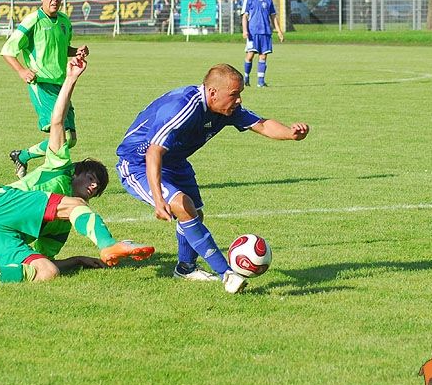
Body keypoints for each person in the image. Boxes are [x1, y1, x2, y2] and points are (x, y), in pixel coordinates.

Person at [0, 58, 155, 286]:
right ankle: (108, 244)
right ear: (76, 172)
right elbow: (57, 123)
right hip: (0, 205)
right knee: (75, 205)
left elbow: (47, 259)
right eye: (91, 178)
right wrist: (71, 79)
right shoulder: (60, 166)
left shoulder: (63, 223)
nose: (93, 187)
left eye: (97, 188)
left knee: (46, 272)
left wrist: (78, 260)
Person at [115, 64, 309, 294]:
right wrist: (158, 199)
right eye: (234, 94)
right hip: (138, 163)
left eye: (240, 94)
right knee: (183, 207)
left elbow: (262, 124)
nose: (238, 100)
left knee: (195, 213)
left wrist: (290, 134)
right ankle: (226, 274)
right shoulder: (182, 107)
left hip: (174, 161)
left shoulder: (228, 109)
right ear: (213, 92)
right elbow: (153, 152)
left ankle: (185, 268)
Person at [1, 0, 89, 179]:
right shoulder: (33, 21)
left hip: (62, 85)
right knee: (61, 135)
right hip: (41, 84)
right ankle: (56, 175)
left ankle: (22, 156)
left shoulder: (64, 21)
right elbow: (7, 50)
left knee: (70, 139)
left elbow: (61, 48)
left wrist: (76, 51)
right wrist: (22, 71)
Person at [242, 0, 284, 87]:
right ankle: (246, 77)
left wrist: (279, 31)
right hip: (253, 32)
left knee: (263, 56)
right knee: (250, 55)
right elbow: (245, 16)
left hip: (265, 32)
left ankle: (260, 82)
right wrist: (245, 30)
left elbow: (273, 17)